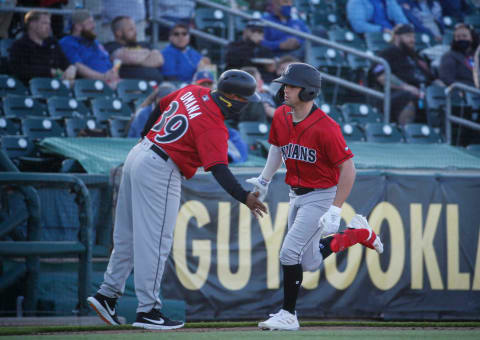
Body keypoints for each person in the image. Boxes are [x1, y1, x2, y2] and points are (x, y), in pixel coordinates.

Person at [87, 69, 268, 329]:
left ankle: (107, 294)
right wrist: (244, 197)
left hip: (140, 153)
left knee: (127, 236)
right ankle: (148, 310)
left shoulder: (194, 90)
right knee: (156, 241)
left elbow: (158, 107)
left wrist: (144, 140)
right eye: (244, 100)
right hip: (161, 168)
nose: (246, 106)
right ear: (231, 99)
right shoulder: (213, 124)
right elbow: (219, 168)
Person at [246, 63, 383, 331]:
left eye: (291, 85)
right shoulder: (282, 115)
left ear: (308, 91)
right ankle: (357, 233)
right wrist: (264, 180)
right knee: (309, 262)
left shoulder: (326, 127)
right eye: (285, 84)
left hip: (321, 195)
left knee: (288, 253)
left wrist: (335, 208)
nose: (285, 89)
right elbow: (277, 147)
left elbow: (348, 168)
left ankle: (288, 314)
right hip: (295, 194)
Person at [370, 23, 440, 125]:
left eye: (413, 37)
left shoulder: (416, 57)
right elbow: (381, 76)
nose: (412, 40)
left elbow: (433, 79)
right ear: (397, 37)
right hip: (395, 94)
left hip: (424, 92)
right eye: (408, 36)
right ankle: (406, 132)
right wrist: (405, 87)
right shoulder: (387, 53)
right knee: (408, 96)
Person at [8, 10, 76, 85]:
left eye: (49, 24)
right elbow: (21, 70)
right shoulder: (20, 46)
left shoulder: (52, 43)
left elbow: (64, 62)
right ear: (32, 25)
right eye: (44, 23)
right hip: (32, 88)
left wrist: (71, 68)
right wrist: (49, 72)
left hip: (56, 87)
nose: (49, 27)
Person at [59, 9, 119, 88]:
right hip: (91, 85)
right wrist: (103, 77)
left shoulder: (94, 42)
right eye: (90, 23)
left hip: (111, 81)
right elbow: (78, 66)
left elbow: (107, 60)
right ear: (78, 26)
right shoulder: (67, 42)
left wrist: (114, 73)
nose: (93, 26)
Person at [104, 16, 164, 82]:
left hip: (156, 84)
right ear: (119, 33)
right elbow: (128, 57)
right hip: (131, 87)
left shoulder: (144, 44)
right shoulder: (112, 46)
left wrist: (136, 60)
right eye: (131, 29)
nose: (135, 32)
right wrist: (148, 55)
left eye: (135, 28)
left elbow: (159, 59)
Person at [439, 23, 478, 87]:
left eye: (464, 36)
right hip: (465, 90)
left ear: (471, 38)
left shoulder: (476, 55)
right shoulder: (449, 56)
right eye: (458, 36)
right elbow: (447, 79)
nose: (461, 38)